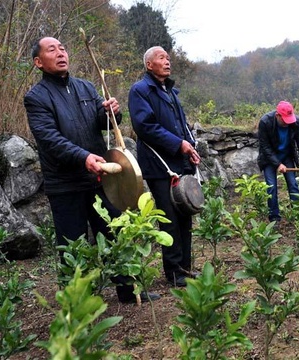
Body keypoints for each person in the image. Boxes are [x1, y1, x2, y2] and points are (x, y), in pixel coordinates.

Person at [23, 37, 158, 303]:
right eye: (52, 50)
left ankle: (129, 291)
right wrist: (83, 157)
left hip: (100, 180)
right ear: (39, 62)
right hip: (65, 185)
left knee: (114, 234)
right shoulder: (36, 98)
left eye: (62, 48)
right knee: (73, 245)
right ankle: (78, 303)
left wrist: (112, 113)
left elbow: (105, 124)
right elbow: (49, 139)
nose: (61, 53)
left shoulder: (85, 87)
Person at [128, 46, 201, 288]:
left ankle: (185, 267)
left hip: (180, 161)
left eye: (168, 58)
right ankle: (174, 271)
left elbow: (183, 125)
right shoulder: (140, 91)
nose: (167, 62)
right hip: (159, 166)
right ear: (149, 65)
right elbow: (145, 127)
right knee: (169, 218)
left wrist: (190, 146)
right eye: (161, 58)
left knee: (185, 214)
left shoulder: (170, 91)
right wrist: (177, 144)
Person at [257, 101, 299, 223]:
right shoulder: (265, 122)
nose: (288, 123)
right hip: (269, 159)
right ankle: (274, 218)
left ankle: (298, 214)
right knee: (271, 188)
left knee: (293, 184)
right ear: (277, 116)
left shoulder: (295, 122)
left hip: (287, 156)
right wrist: (277, 164)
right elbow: (265, 147)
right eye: (285, 120)